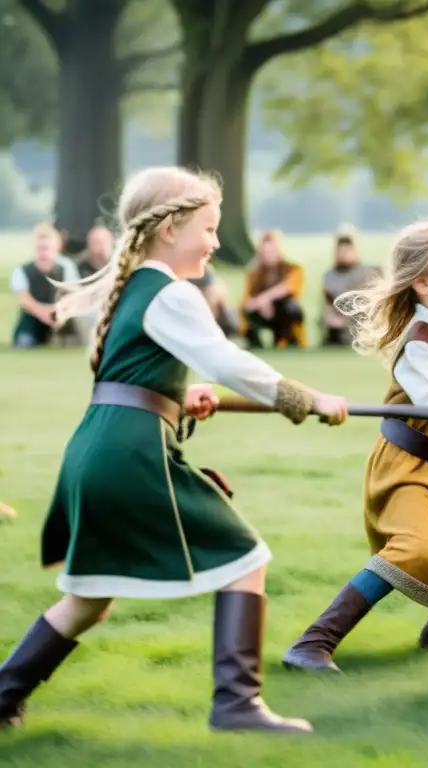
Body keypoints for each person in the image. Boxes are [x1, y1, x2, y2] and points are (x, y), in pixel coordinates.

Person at [0, 166, 350, 735]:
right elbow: (229, 361)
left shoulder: (137, 288)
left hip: (97, 449)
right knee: (246, 560)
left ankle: (2, 696)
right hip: (131, 456)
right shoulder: (171, 292)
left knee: (88, 597)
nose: (216, 241)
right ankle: (238, 705)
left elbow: (136, 379)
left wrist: (182, 398)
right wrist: (306, 399)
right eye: (208, 228)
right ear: (168, 229)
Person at [282, 219, 428, 672]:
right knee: (411, 548)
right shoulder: (420, 343)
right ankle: (313, 643)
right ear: (423, 283)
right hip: (408, 466)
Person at [9, 223, 82, 348]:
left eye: (46, 247)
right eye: (40, 247)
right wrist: (44, 312)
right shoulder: (21, 270)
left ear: (56, 247)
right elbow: (24, 299)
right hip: (33, 317)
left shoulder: (66, 267)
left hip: (62, 315)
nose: (43, 251)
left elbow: (74, 294)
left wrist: (59, 310)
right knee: (24, 342)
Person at [239, 230, 307, 349]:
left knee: (293, 308)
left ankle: (289, 343)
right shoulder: (255, 274)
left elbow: (287, 287)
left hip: (283, 312)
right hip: (262, 311)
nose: (268, 255)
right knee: (247, 310)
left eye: (271, 251)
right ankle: (255, 344)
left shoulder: (293, 269)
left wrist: (265, 298)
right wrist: (258, 304)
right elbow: (246, 299)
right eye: (264, 252)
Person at [321, 227, 381, 347]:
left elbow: (368, 305)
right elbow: (328, 302)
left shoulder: (365, 274)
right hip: (336, 325)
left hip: (360, 324)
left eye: (346, 252)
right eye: (340, 252)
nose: (343, 255)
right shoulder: (329, 276)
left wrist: (345, 322)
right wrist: (330, 316)